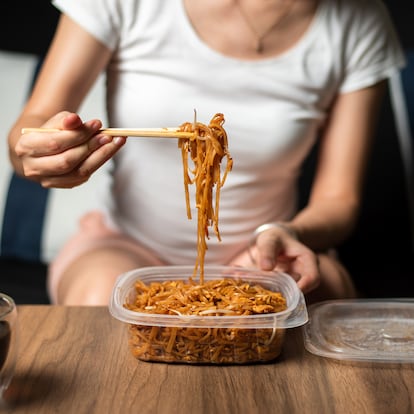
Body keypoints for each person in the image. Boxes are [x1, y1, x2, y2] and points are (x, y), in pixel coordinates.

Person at [7, 0, 405, 305]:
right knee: (101, 300)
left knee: (324, 292)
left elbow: (338, 200)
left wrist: (285, 233)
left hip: (264, 253)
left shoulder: (358, 22)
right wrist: (38, 150)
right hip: (127, 244)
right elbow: (35, 126)